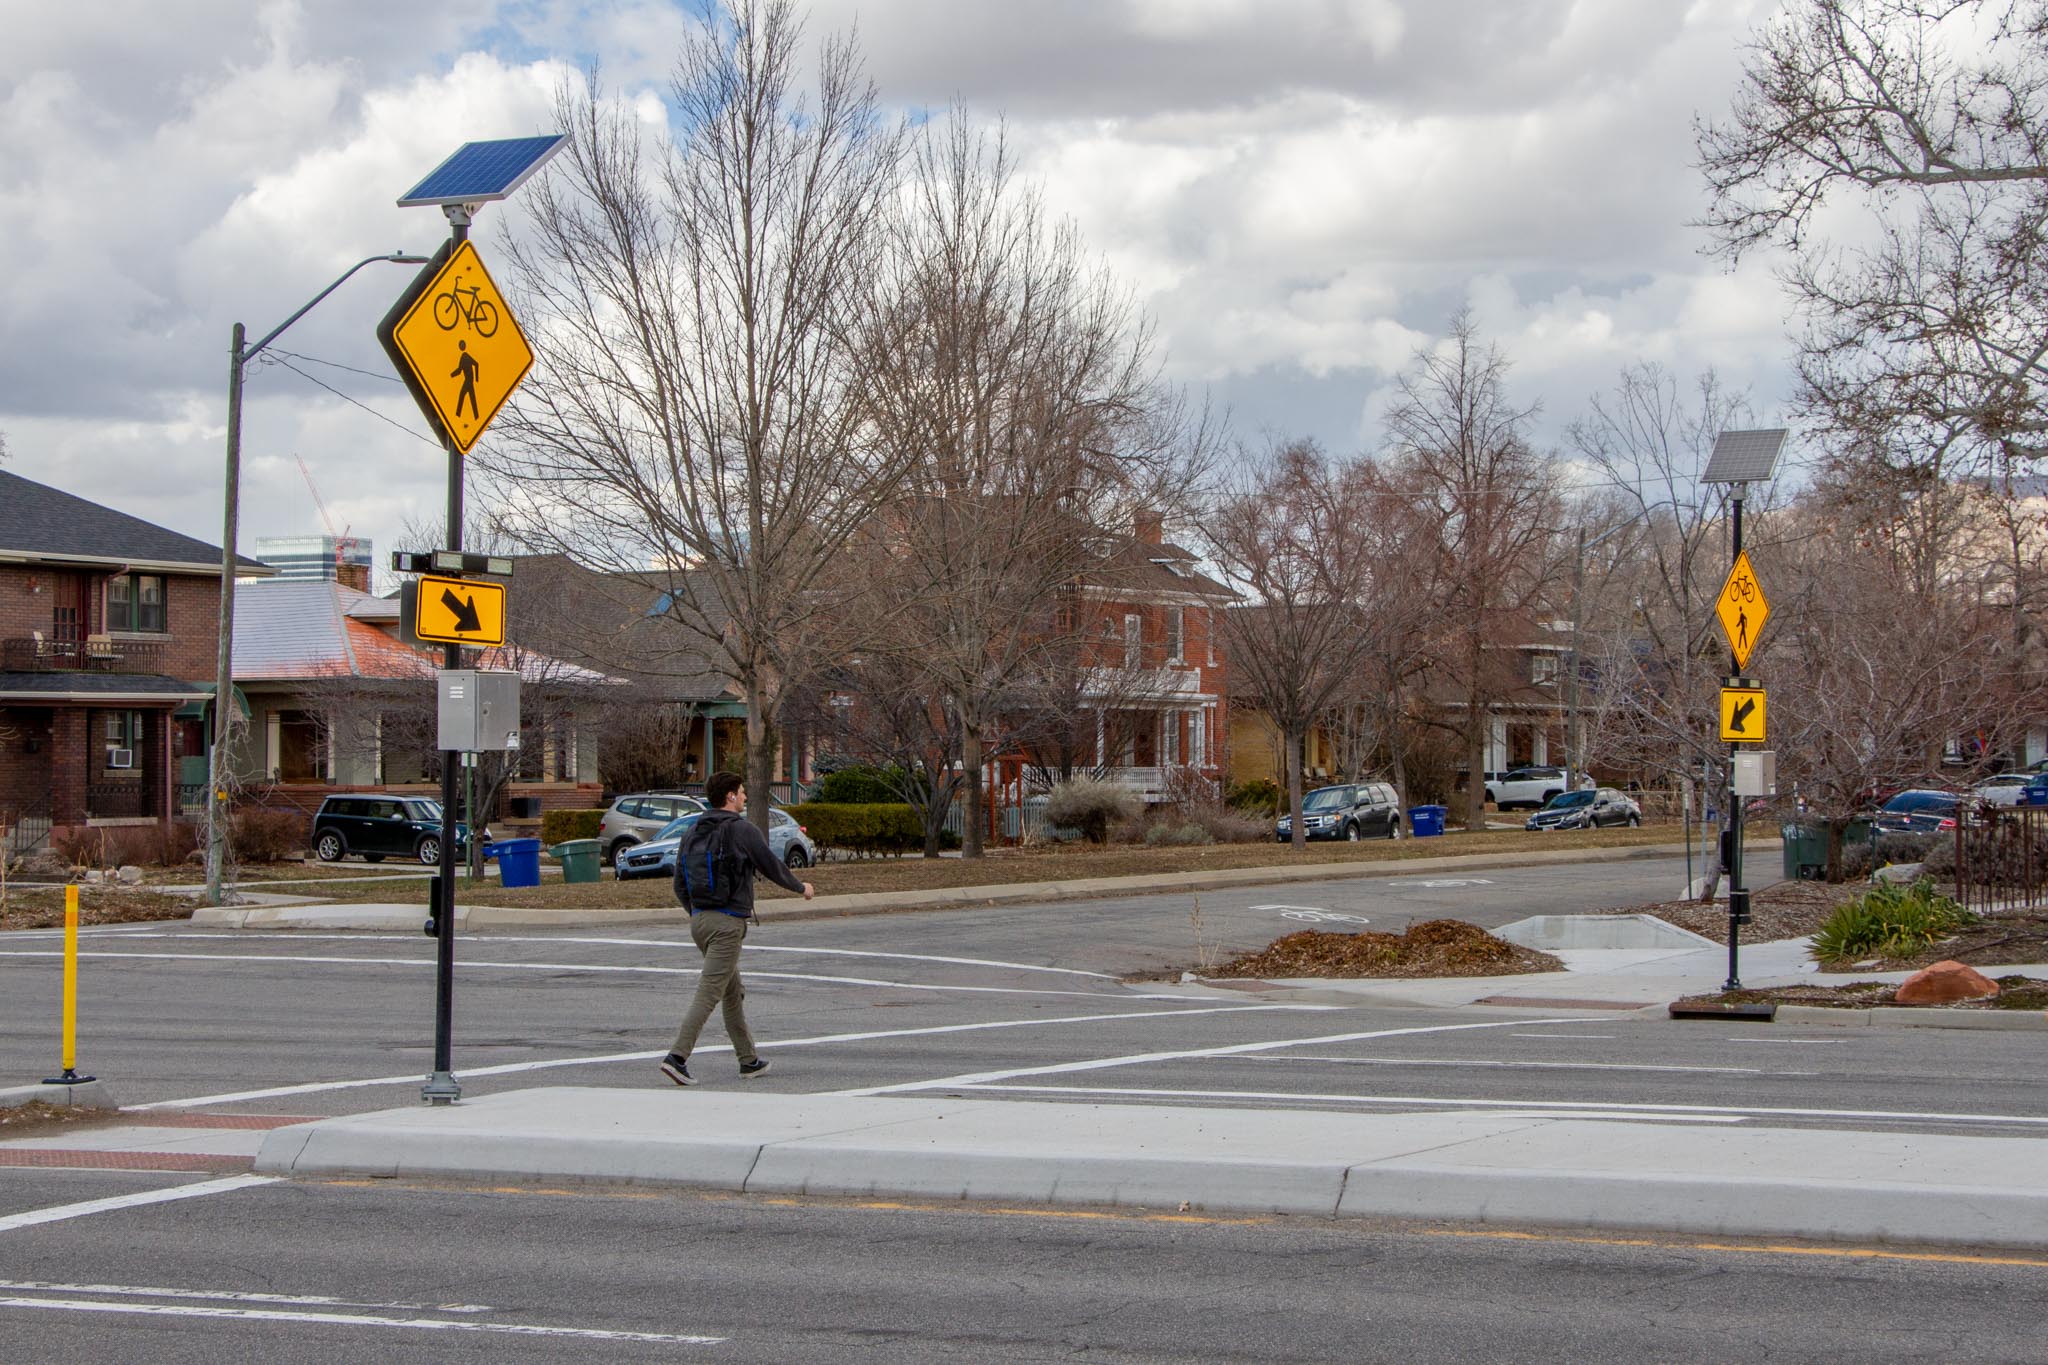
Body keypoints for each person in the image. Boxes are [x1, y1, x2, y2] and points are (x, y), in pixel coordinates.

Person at [659, 771, 813, 1085]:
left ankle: (749, 1060)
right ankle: (677, 1057)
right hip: (726, 924)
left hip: (700, 921)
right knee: (709, 992)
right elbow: (771, 864)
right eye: (741, 792)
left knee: (732, 992)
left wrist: (698, 913)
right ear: (730, 796)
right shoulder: (742, 830)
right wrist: (800, 887)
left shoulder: (693, 831)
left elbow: (678, 883)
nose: (744, 797)